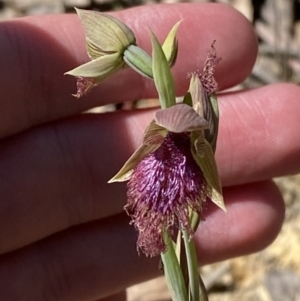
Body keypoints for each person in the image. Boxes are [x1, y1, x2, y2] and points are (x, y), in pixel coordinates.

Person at [0, 2, 298, 300]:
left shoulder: (195, 141)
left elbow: (194, 151)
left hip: (184, 146)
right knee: (166, 236)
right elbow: (152, 145)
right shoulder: (159, 135)